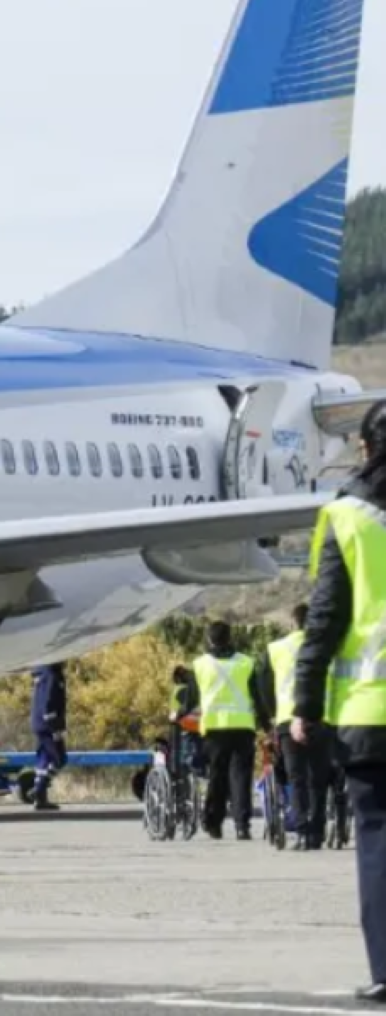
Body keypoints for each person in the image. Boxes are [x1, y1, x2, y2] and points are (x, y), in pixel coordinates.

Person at [293, 397, 386, 1004]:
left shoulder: (348, 515)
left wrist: (304, 699)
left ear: (364, 447)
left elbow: (323, 618)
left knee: (377, 839)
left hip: (368, 714)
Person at [268, 603, 332, 850]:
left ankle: (303, 831)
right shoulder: (326, 647)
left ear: (293, 623)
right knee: (319, 777)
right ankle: (317, 831)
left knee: (297, 778)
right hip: (322, 717)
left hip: (286, 718)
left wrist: (269, 716)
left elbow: (263, 686)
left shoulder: (276, 649)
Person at [194, 619, 265, 841]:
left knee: (217, 776)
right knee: (241, 777)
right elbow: (258, 697)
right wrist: (266, 723)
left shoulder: (200, 665)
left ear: (209, 639)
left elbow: (191, 699)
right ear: (230, 638)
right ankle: (242, 825)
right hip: (243, 727)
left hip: (214, 728)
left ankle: (213, 822)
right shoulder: (246, 663)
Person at [29, 664, 68, 811]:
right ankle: (39, 789)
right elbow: (49, 703)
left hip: (39, 723)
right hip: (48, 725)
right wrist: (55, 727)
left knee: (44, 760)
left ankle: (40, 799)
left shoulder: (42, 674)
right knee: (60, 758)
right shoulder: (52, 675)